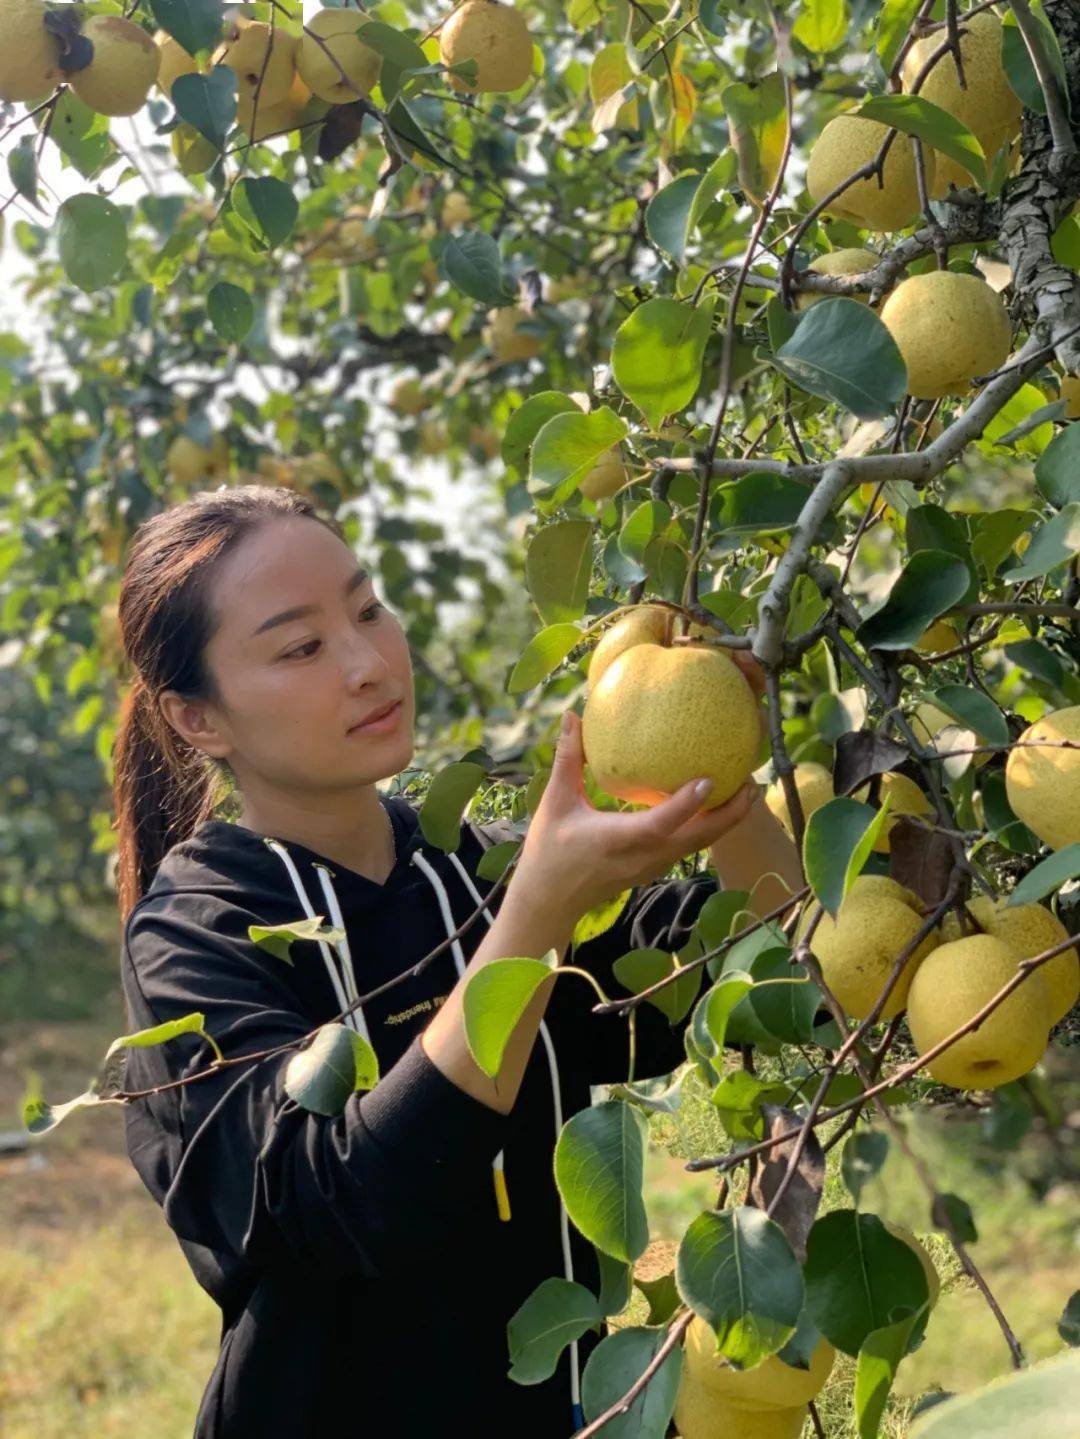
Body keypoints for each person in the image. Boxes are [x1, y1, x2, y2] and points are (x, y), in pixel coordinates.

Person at [112, 484, 802, 1438]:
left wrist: (723, 763)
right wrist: (539, 915)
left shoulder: (469, 872)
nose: (365, 663)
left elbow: (756, 969)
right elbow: (348, 1203)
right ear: (199, 719)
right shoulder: (197, 933)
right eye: (302, 646)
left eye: (366, 609)